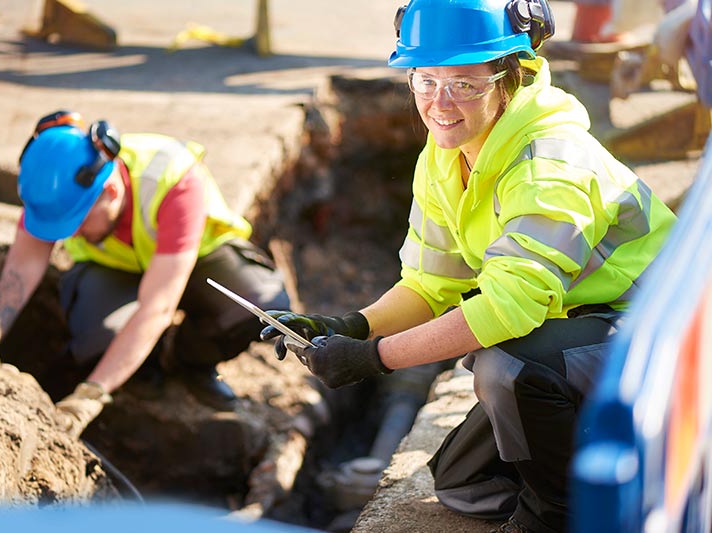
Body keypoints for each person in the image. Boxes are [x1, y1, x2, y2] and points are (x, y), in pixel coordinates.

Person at [260, 1, 677, 531]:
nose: (440, 102)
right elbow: (432, 281)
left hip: (662, 333)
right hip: (582, 334)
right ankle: (606, 465)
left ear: (511, 78)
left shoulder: (550, 163)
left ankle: (563, 517)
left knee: (509, 365)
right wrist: (349, 326)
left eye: (466, 83)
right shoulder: (445, 154)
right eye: (425, 79)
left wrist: (374, 358)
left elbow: (509, 309)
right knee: (464, 484)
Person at [0, 110, 289, 438]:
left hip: (195, 264)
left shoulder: (172, 178)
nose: (71, 234)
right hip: (115, 270)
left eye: (76, 223)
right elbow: (17, 277)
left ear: (109, 191)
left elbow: (157, 307)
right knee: (97, 335)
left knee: (258, 304)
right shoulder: (56, 191)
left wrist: (91, 394)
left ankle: (186, 360)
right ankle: (140, 371)